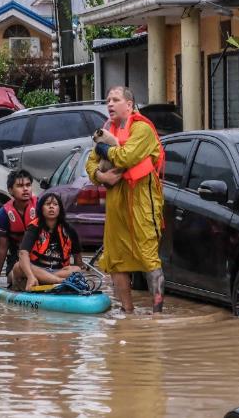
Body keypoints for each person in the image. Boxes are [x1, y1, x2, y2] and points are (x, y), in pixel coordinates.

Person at [85, 86, 165, 313]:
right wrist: (101, 175)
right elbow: (89, 163)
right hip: (115, 204)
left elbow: (126, 156)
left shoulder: (142, 129)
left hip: (141, 203)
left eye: (116, 100)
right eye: (108, 100)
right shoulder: (107, 129)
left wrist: (103, 148)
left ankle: (157, 315)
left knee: (149, 258)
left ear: (129, 105)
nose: (109, 104)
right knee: (116, 259)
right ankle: (127, 312)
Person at [10, 192, 83, 291]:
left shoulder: (69, 230)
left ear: (60, 209)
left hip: (58, 271)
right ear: (41, 208)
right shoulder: (34, 227)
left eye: (55, 204)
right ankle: (60, 282)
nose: (51, 207)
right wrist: (31, 276)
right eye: (48, 204)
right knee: (18, 266)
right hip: (36, 270)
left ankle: (46, 280)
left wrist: (78, 273)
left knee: (77, 270)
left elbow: (78, 260)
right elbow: (23, 253)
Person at [0, 169, 37, 285]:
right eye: (20, 186)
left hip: (39, 256)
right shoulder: (3, 214)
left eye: (28, 185)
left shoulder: (41, 206)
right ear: (11, 190)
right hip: (16, 258)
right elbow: (2, 249)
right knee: (14, 277)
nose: (25, 189)